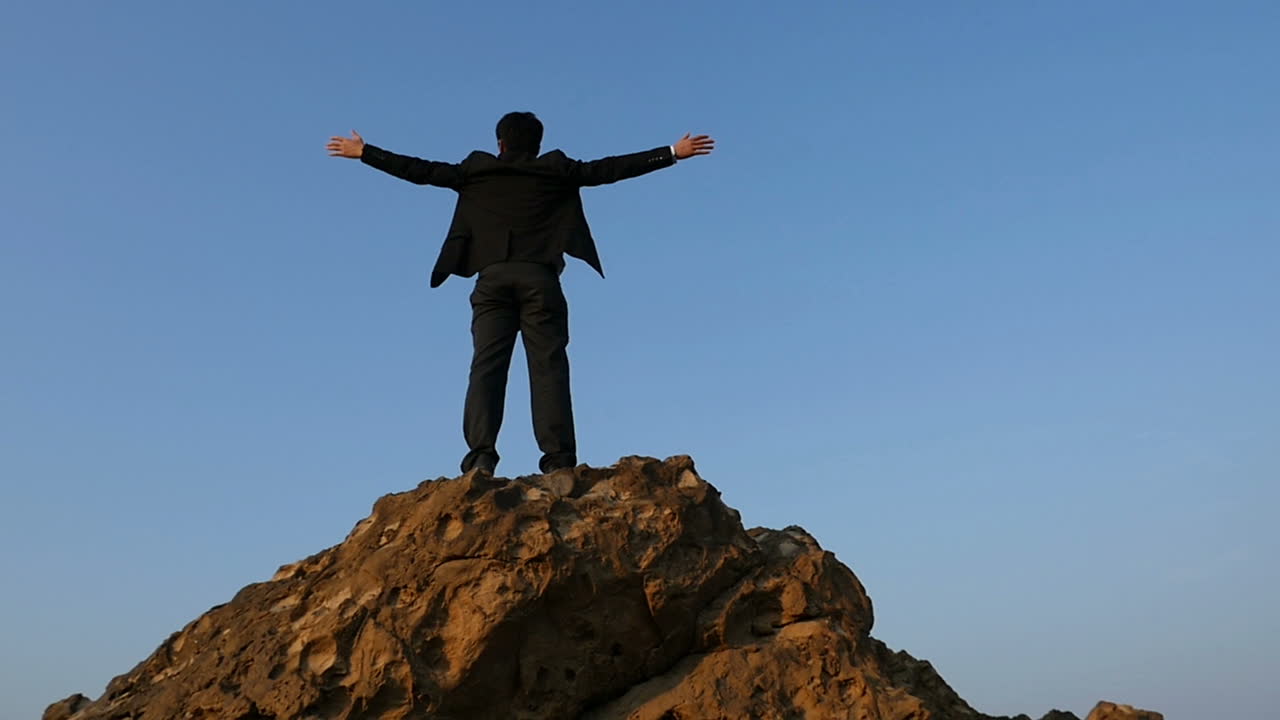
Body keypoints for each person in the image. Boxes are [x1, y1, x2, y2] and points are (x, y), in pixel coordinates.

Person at [327, 112, 714, 475]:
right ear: (538, 144)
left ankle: (480, 459)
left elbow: (420, 170)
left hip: (492, 282)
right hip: (540, 281)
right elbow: (610, 169)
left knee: (486, 369)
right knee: (548, 369)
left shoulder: (475, 172)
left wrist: (365, 152)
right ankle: (558, 462)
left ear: (500, 143)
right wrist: (671, 152)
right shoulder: (556, 170)